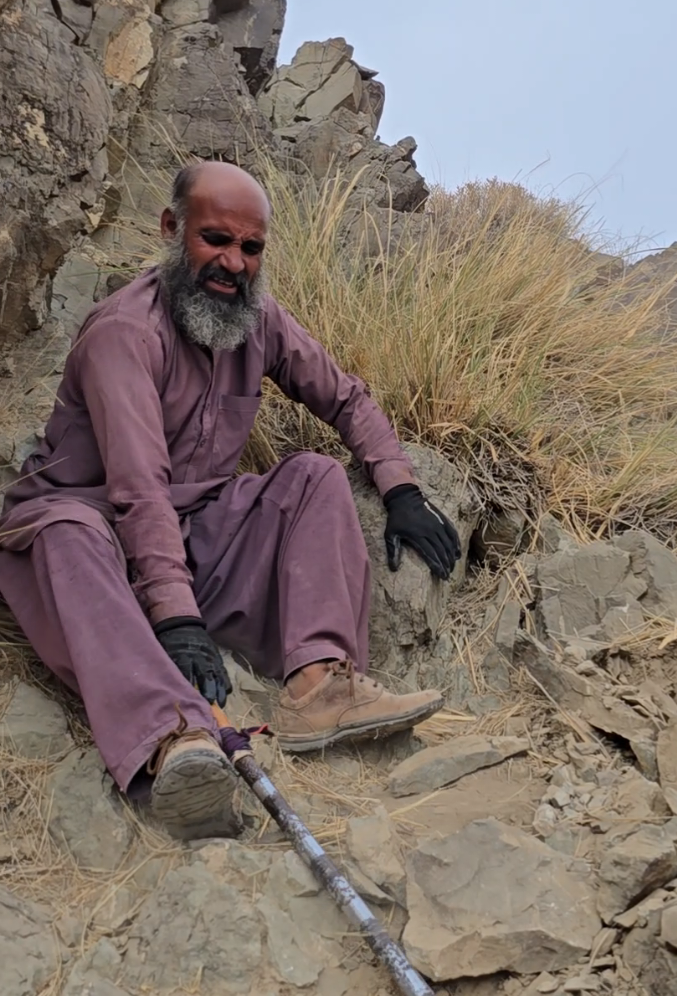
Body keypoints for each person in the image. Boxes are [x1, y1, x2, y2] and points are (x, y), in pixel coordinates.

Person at [0, 161, 461, 841]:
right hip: (96, 536)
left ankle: (318, 688)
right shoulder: (123, 334)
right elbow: (136, 487)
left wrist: (400, 486)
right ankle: (173, 737)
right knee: (66, 532)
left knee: (312, 476)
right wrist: (179, 619)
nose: (233, 263)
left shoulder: (261, 320)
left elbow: (345, 396)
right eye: (214, 239)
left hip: (194, 534)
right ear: (170, 229)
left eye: (251, 249)